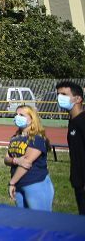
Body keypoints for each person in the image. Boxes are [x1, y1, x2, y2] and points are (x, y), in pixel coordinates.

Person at [4, 104, 53, 210]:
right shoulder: (15, 138)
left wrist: (12, 183)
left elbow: (26, 163)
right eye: (16, 114)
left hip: (35, 183)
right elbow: (6, 159)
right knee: (24, 222)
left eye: (21, 115)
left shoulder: (37, 138)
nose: (17, 117)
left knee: (40, 221)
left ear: (32, 119)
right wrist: (16, 160)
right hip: (19, 185)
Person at [56, 80, 85, 214]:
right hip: (78, 182)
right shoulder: (72, 121)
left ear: (78, 98)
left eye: (64, 94)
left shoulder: (82, 121)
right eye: (58, 94)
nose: (59, 98)